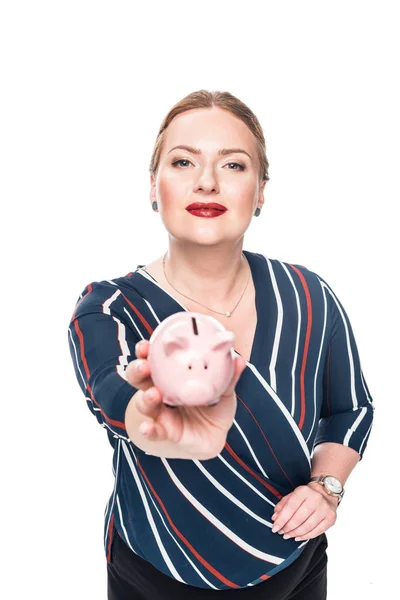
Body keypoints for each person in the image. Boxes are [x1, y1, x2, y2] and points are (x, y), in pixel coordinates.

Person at [67, 90, 375, 599]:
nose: (206, 181)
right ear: (153, 186)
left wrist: (326, 490)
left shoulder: (309, 296)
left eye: (233, 165)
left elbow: (351, 409)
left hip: (296, 571)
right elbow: (116, 399)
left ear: (260, 192)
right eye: (183, 160)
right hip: (156, 577)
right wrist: (160, 426)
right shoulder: (109, 309)